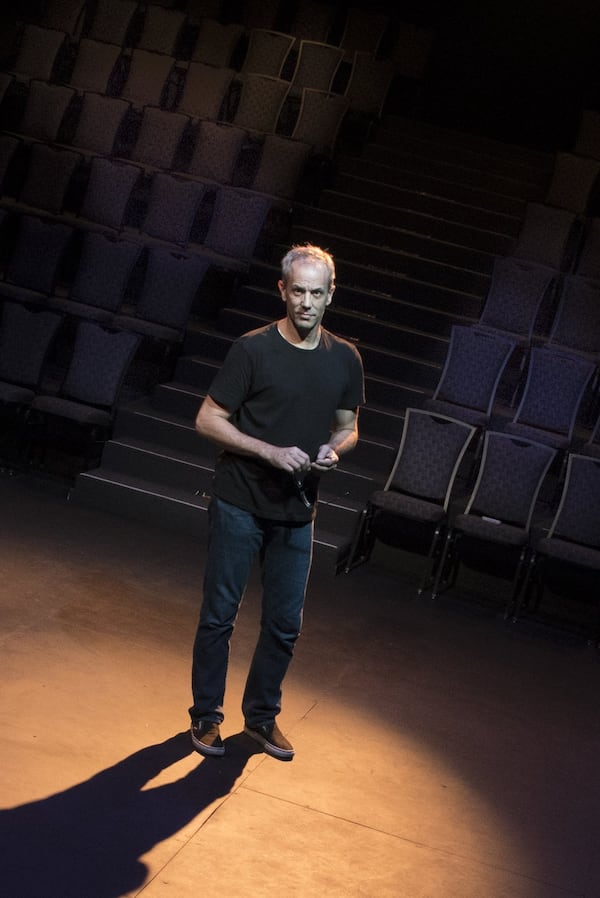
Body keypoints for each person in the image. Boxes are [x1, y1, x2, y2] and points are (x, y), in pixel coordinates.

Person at [189, 243, 365, 761]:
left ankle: (262, 719)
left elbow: (349, 428)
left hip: (297, 510)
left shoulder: (345, 358)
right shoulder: (253, 350)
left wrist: (334, 451)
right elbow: (207, 419)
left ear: (331, 295)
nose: (306, 303)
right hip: (239, 501)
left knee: (285, 623)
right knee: (220, 614)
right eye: (298, 291)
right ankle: (205, 716)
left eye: (317, 293)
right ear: (282, 290)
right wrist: (268, 451)